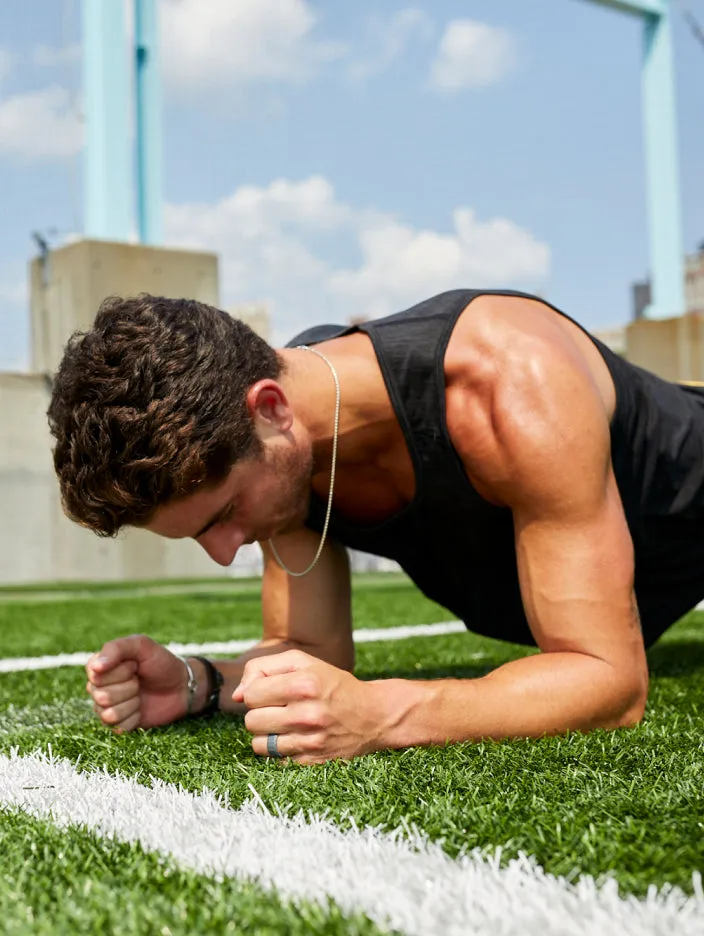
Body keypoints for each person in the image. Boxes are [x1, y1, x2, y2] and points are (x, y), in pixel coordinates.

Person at [47, 289, 704, 764]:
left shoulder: (509, 382)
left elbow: (610, 683)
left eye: (222, 517)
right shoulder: (280, 451)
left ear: (270, 410)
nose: (224, 553)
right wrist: (201, 682)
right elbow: (311, 649)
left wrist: (382, 715)